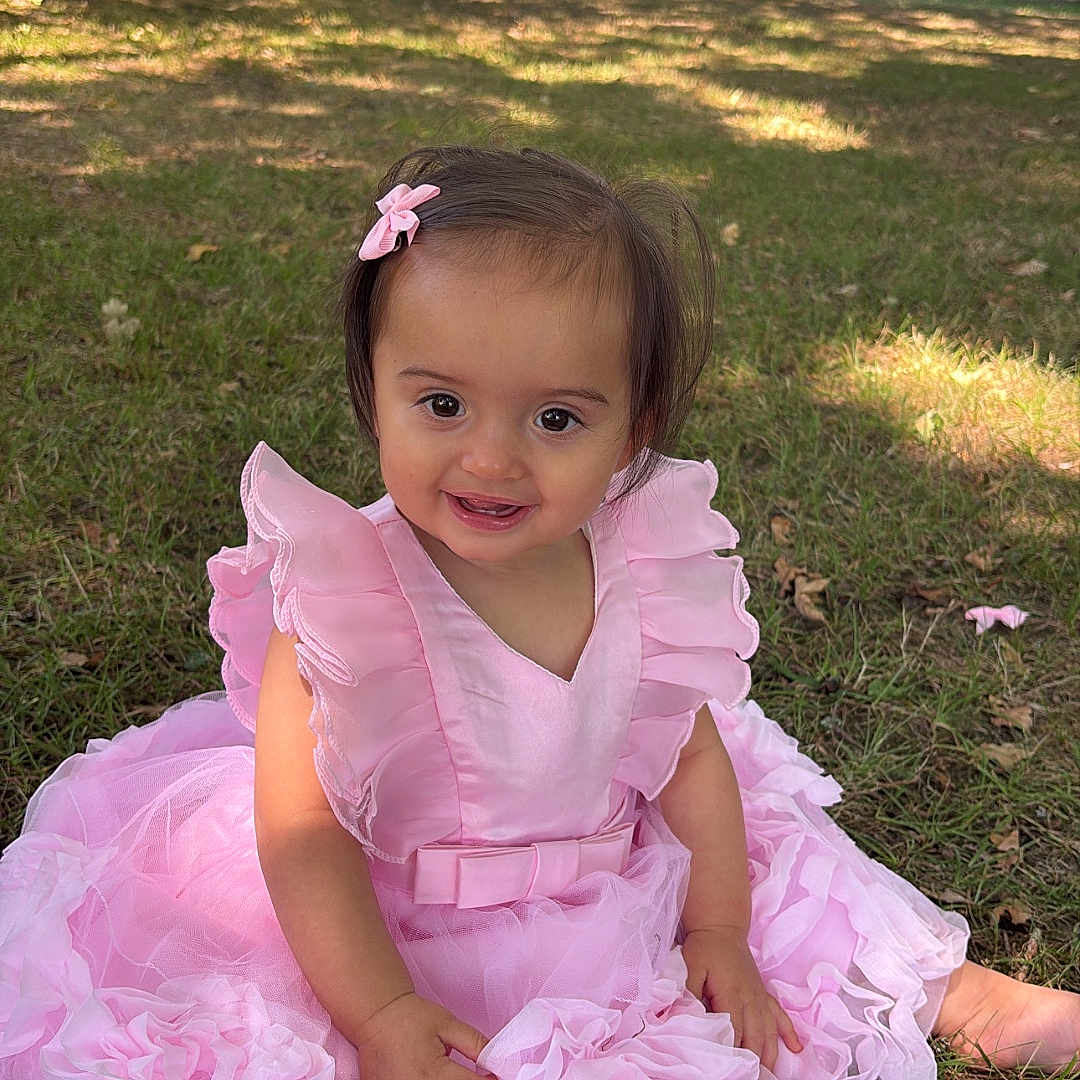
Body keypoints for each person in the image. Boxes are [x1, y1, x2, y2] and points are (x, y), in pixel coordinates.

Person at [1, 145, 1078, 1080]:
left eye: (557, 417)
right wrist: (378, 1011)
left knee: (790, 860)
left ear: (634, 428)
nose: (490, 456)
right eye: (440, 404)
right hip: (388, 929)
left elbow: (686, 758)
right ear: (372, 389)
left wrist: (715, 926)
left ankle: (955, 994)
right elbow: (305, 838)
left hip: (619, 867)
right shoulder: (341, 599)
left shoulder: (638, 562)